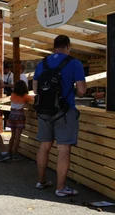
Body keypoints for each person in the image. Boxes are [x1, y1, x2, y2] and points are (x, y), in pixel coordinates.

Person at [33, 35, 86, 197]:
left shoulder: (43, 63)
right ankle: (61, 187)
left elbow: (35, 90)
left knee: (44, 146)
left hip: (44, 112)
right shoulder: (74, 63)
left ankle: (41, 181)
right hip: (64, 111)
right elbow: (82, 90)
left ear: (54, 47)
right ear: (68, 46)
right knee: (63, 149)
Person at [7, 80, 34, 159]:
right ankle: (15, 153)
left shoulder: (12, 95)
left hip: (12, 115)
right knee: (18, 136)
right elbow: (31, 98)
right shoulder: (25, 96)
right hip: (19, 116)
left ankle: (9, 152)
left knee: (13, 135)